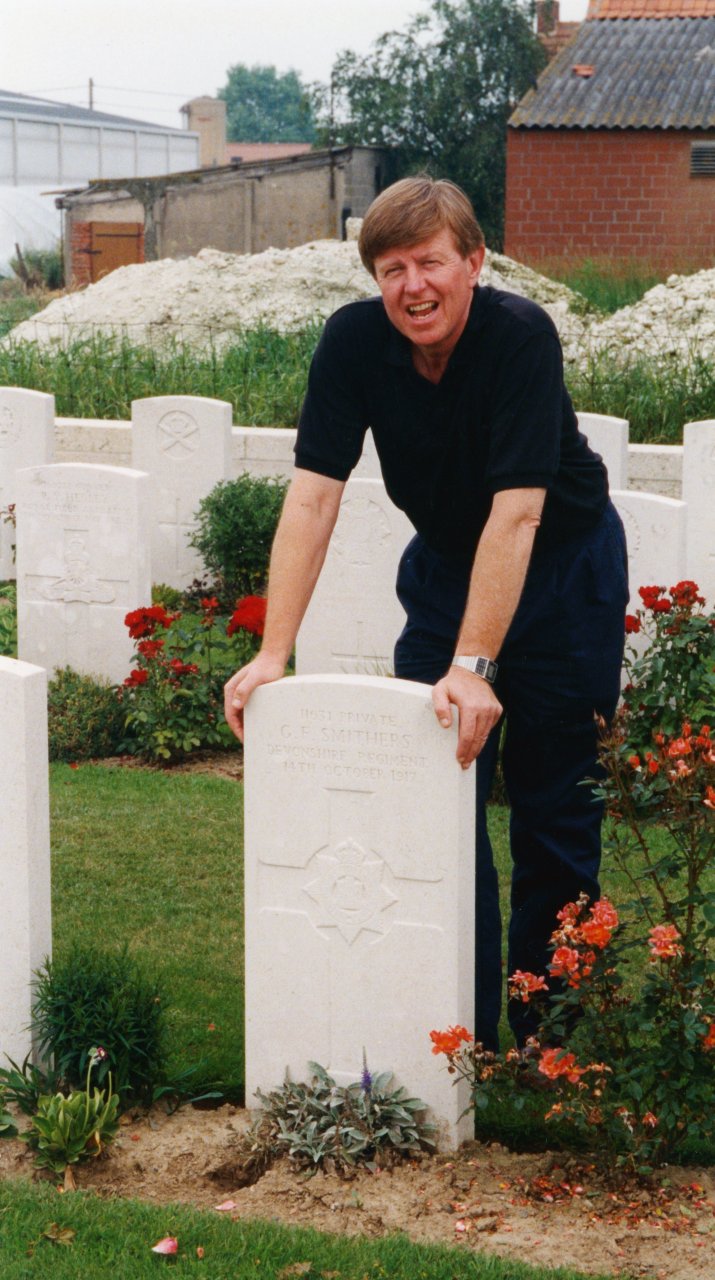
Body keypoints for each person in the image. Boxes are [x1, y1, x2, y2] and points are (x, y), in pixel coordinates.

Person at [224, 175, 628, 1053]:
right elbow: (312, 501)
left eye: (432, 263)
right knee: (431, 799)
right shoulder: (352, 343)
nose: (413, 286)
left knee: (555, 807)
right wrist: (272, 652)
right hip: (449, 568)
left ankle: (544, 1032)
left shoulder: (519, 337)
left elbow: (517, 513)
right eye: (392, 267)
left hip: (563, 571)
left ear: (472, 263)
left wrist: (475, 666)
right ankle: (454, 1023)